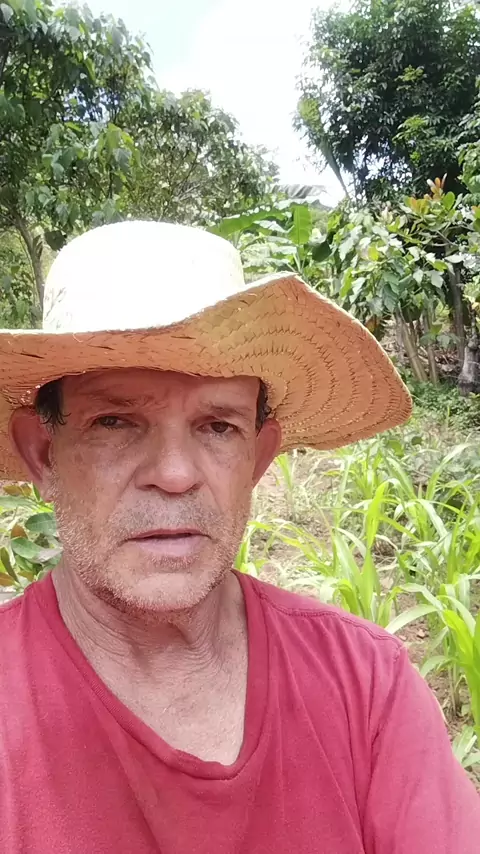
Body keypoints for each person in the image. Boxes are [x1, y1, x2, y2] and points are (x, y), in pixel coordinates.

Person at [0, 221, 478, 854]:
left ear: (258, 456)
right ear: (42, 455)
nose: (175, 474)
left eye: (218, 426)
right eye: (114, 421)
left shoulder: (364, 686)